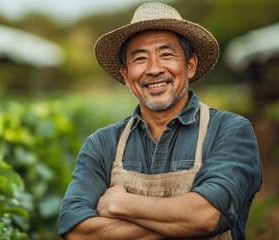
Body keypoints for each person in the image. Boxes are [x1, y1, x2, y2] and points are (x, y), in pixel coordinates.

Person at [58, 2, 263, 240]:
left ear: (190, 65)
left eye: (166, 54)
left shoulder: (229, 131)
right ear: (126, 74)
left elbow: (206, 216)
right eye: (140, 58)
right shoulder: (102, 144)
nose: (154, 69)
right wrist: (181, 222)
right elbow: (75, 230)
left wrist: (121, 204)